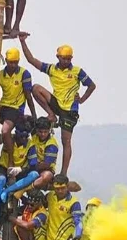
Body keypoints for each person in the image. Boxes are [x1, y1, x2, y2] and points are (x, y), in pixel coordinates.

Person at [19, 34, 95, 179]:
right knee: (36, 88)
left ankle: (63, 173)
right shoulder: (52, 69)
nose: (66, 61)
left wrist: (82, 99)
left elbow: (91, 85)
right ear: (58, 57)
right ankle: (51, 114)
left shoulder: (77, 71)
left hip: (69, 110)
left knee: (66, 141)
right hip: (56, 104)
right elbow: (32, 60)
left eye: (69, 59)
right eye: (64, 58)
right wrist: (22, 42)